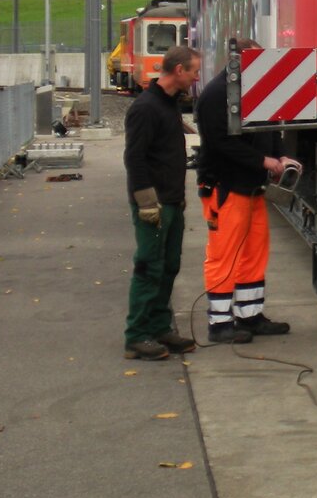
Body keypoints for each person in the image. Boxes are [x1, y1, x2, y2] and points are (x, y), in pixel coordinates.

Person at [195, 38, 294, 344]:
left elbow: (269, 129)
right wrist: (264, 160)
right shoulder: (215, 95)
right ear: (240, 63)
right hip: (226, 186)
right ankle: (220, 323)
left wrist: (280, 155)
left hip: (250, 187)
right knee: (224, 255)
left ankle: (249, 316)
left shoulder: (253, 89)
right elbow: (220, 142)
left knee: (253, 252)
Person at [123, 45, 202, 361]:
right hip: (154, 204)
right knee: (149, 266)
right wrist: (146, 202)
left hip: (171, 201)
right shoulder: (145, 108)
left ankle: (158, 327)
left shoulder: (167, 103)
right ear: (179, 70)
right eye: (194, 71)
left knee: (169, 265)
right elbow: (134, 157)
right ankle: (137, 335)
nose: (196, 77)